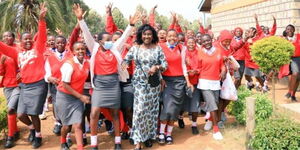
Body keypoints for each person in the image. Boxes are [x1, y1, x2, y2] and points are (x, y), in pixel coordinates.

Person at [74, 4, 140, 149]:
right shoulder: (94, 48)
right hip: (99, 85)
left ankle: (117, 142)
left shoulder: (115, 48)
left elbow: (123, 37)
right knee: (94, 113)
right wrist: (81, 20)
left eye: (111, 39)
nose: (111, 41)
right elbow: (86, 34)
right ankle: (94, 144)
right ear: (100, 41)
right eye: (107, 39)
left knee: (115, 113)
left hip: (113, 84)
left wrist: (131, 25)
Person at [0, 3, 48, 148]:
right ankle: (32, 129)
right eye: (25, 39)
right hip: (25, 86)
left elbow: (42, 34)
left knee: (33, 113)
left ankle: (38, 136)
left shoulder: (38, 48)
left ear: (32, 41)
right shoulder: (16, 52)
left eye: (29, 39)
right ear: (20, 41)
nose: (28, 41)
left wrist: (41, 20)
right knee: (21, 115)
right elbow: (2, 47)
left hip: (39, 85)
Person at [123, 24, 167, 150]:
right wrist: (124, 65)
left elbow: (165, 64)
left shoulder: (158, 49)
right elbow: (125, 60)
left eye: (149, 34)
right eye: (144, 34)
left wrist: (157, 67)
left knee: (151, 111)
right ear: (140, 35)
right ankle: (138, 141)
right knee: (140, 110)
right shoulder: (135, 49)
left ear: (152, 35)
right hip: (139, 84)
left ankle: (148, 137)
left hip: (153, 84)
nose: (147, 36)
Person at [55, 41, 90, 150]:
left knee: (78, 124)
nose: (80, 51)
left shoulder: (86, 63)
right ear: (73, 52)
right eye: (78, 49)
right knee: (67, 126)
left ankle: (80, 147)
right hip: (64, 97)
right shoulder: (68, 64)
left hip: (77, 97)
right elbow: (65, 85)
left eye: (82, 49)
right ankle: (63, 141)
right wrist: (81, 97)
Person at [158, 29, 186, 145]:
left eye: (174, 36)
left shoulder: (181, 48)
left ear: (177, 37)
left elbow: (184, 65)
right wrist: (161, 78)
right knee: (167, 107)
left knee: (174, 109)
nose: (172, 38)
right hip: (167, 81)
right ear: (166, 37)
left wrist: (187, 80)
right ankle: (161, 132)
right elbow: (157, 63)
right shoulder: (160, 47)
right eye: (169, 36)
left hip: (179, 81)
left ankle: (168, 133)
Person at [198, 34, 226, 140]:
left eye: (208, 40)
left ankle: (210, 120)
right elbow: (197, 65)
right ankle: (216, 130)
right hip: (204, 81)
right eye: (204, 41)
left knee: (216, 103)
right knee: (212, 104)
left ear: (211, 40)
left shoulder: (218, 50)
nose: (206, 43)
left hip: (216, 82)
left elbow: (222, 64)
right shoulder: (199, 51)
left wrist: (223, 70)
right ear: (201, 42)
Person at [1, 31, 20, 148]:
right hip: (8, 85)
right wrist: (1, 62)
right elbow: (0, 72)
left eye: (9, 35)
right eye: (4, 36)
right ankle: (16, 131)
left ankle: (10, 136)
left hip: (19, 85)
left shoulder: (18, 49)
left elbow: (25, 64)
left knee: (10, 109)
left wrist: (22, 73)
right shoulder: (1, 51)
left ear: (13, 37)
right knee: (13, 111)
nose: (7, 38)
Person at [182, 37, 201, 135]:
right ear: (186, 43)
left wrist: (196, 71)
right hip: (184, 82)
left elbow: (203, 66)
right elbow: (181, 66)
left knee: (195, 105)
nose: (191, 44)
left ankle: (194, 125)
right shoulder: (183, 53)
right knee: (181, 104)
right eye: (189, 42)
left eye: (193, 42)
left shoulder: (199, 52)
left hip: (196, 82)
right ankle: (180, 118)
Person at [284, 24, 300, 102]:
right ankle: (290, 92)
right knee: (293, 76)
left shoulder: (298, 36)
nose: (289, 31)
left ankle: (292, 94)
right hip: (289, 59)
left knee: (297, 77)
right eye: (287, 29)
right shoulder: (284, 39)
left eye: (291, 29)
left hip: (297, 58)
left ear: (293, 30)